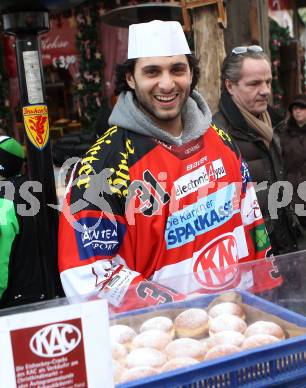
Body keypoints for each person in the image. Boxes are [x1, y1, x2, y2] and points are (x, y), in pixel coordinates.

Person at [58, 21, 281, 311]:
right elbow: (86, 274)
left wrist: (266, 294)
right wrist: (178, 309)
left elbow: (251, 222)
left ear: (191, 74)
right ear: (130, 78)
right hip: (159, 340)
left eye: (177, 69)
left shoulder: (220, 141)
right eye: (152, 71)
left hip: (236, 321)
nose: (167, 83)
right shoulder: (102, 166)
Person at [213, 45, 299, 255]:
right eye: (254, 84)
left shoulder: (273, 125)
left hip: (285, 246)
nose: (266, 91)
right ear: (230, 86)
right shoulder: (217, 136)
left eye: (268, 82)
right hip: (254, 255)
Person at [0, 136, 45, 308]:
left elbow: (1, 261)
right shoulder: (35, 187)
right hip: (44, 292)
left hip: (12, 303)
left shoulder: (4, 200)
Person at [280, 94, 306, 228]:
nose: (298, 111)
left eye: (302, 108)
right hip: (295, 191)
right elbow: (281, 163)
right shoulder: (284, 134)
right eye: (295, 108)